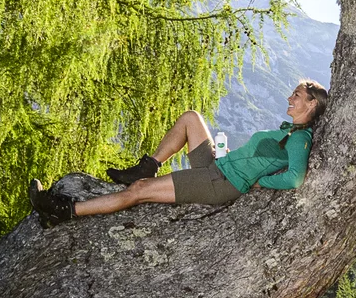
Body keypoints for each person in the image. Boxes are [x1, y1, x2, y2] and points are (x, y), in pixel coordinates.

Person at [27, 79, 330, 227]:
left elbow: (294, 179)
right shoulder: (286, 131)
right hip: (217, 167)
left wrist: (259, 182)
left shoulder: (299, 139)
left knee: (139, 192)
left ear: (311, 104)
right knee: (190, 118)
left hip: (220, 183)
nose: (290, 97)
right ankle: (148, 166)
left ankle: (62, 210)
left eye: (297, 95)